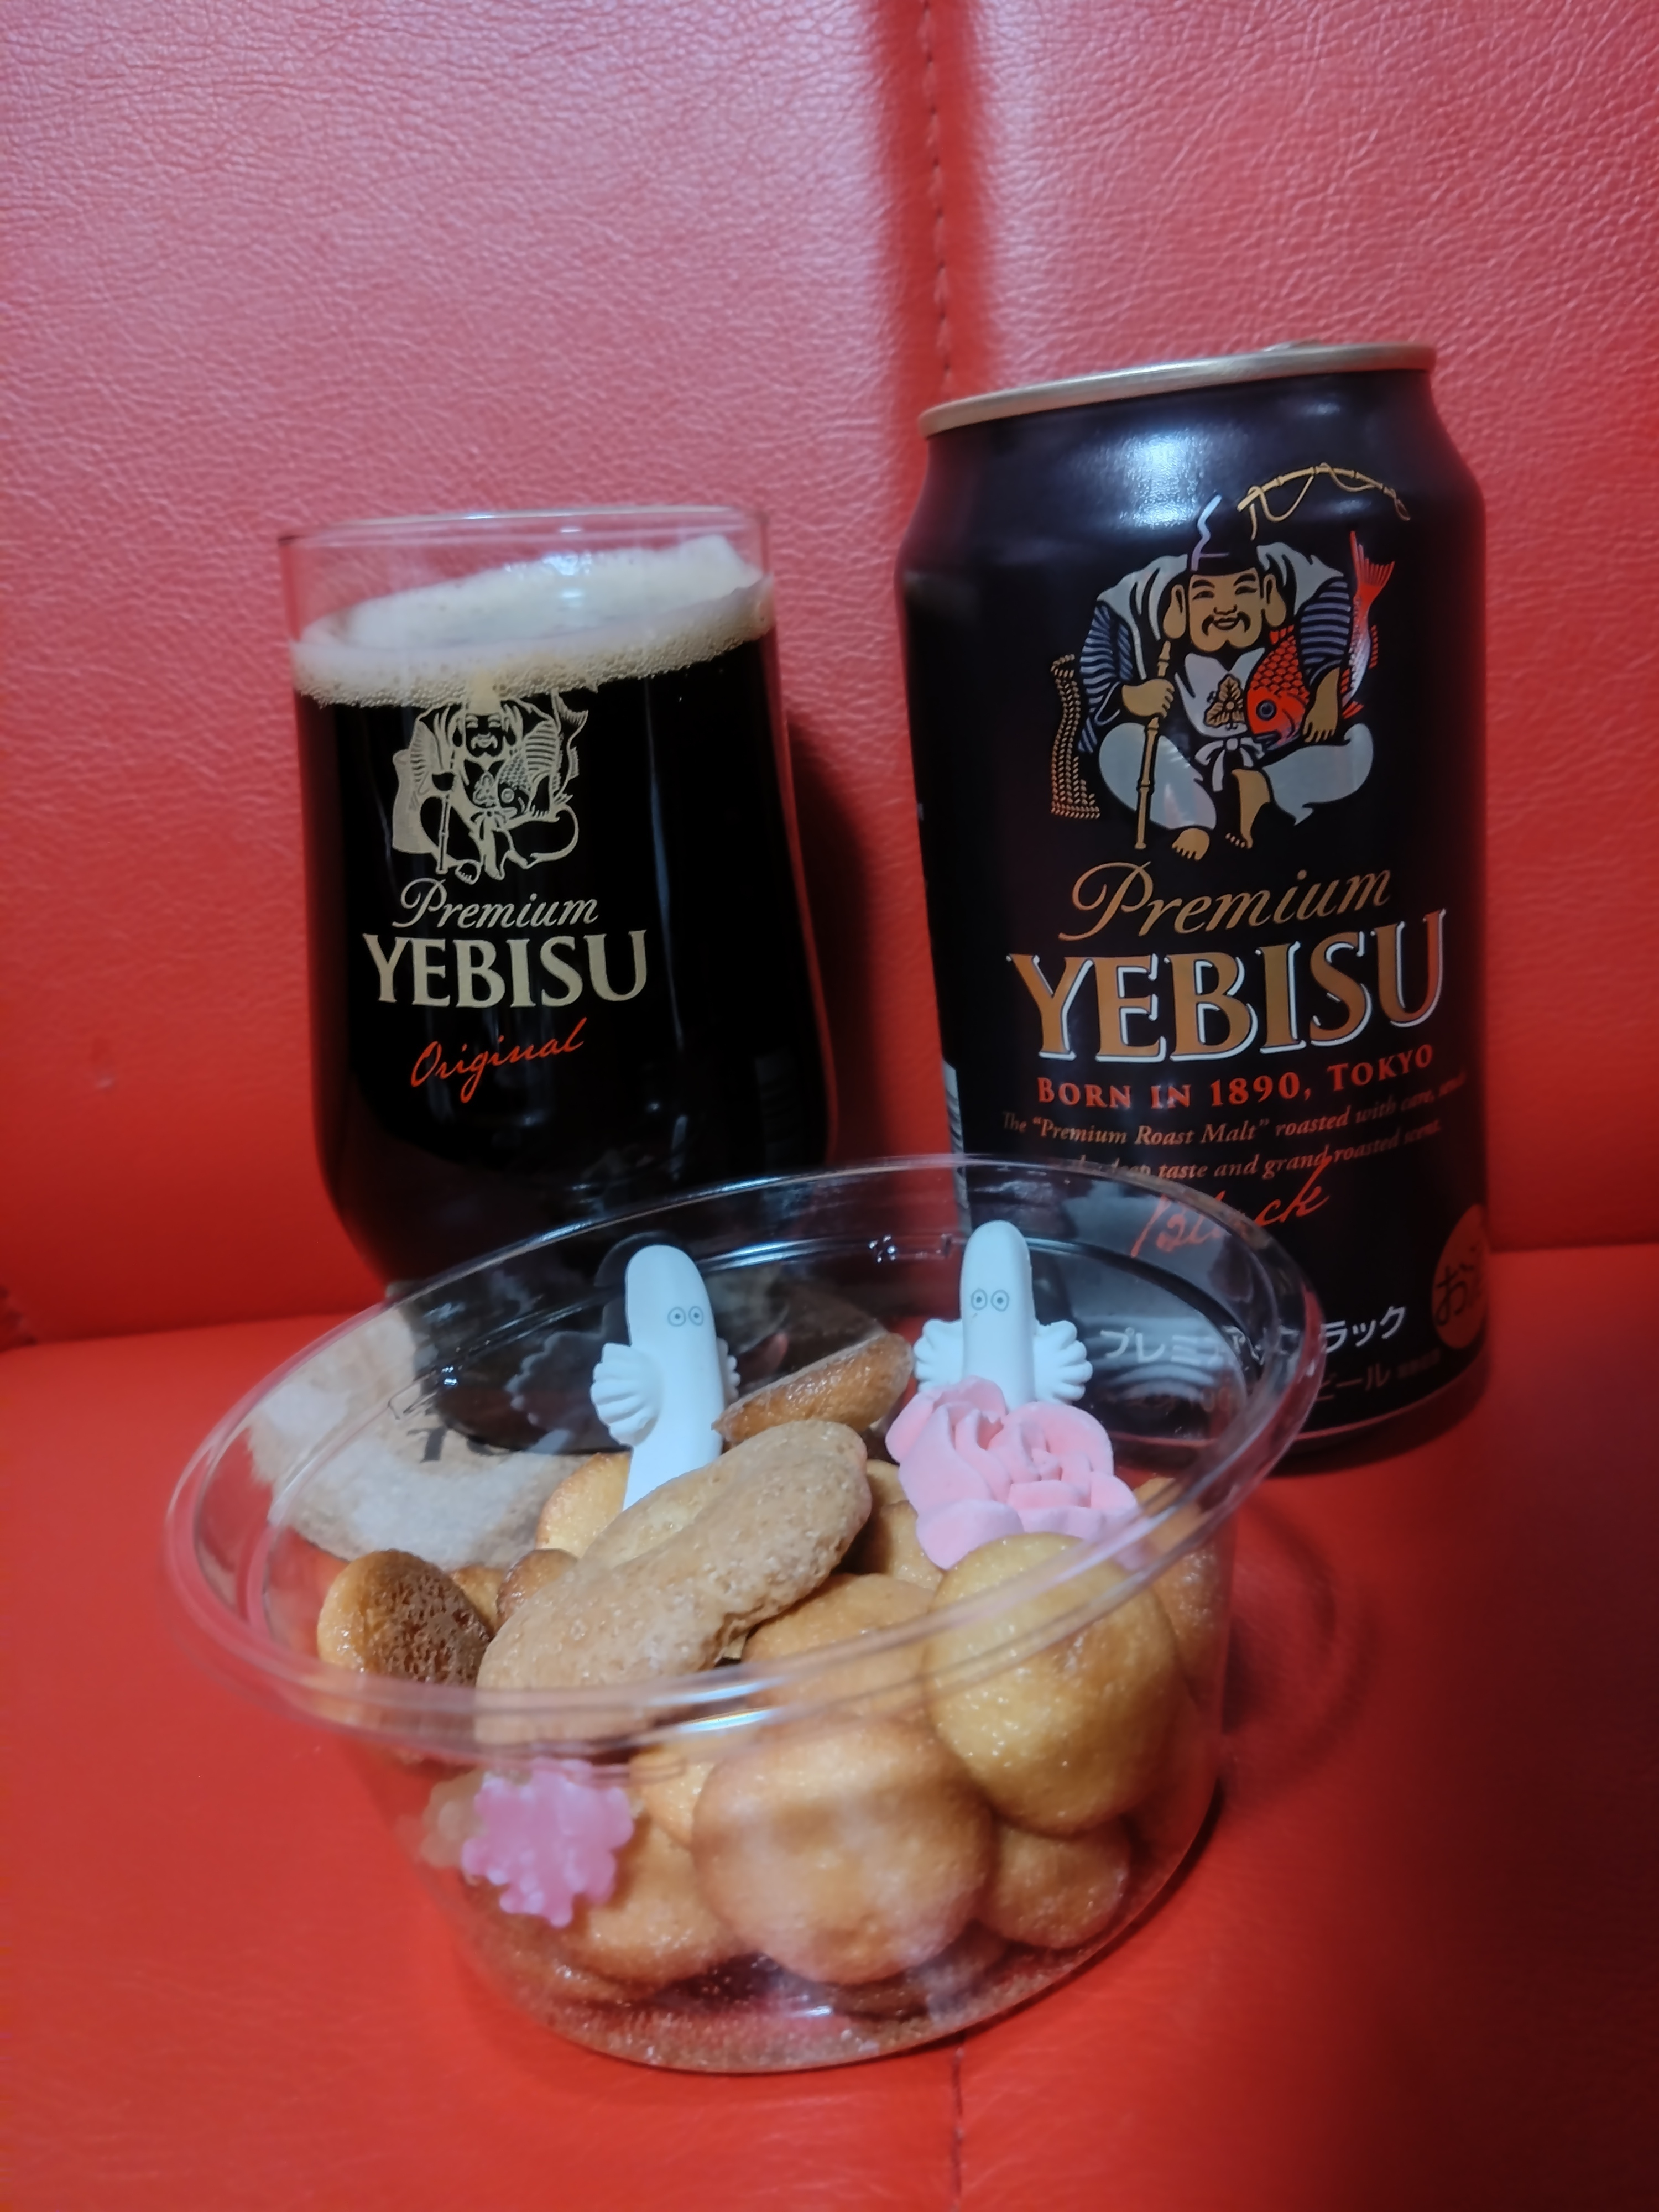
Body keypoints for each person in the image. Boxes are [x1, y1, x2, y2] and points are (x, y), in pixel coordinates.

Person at [1076, 495, 1373, 857]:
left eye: (1243, 590)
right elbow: (1101, 649)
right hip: (1182, 764)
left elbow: (1327, 592)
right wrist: (1128, 696)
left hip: (1274, 752)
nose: (1226, 608)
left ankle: (1262, 788)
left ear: (1267, 596)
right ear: (1181, 603)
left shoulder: (1287, 581)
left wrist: (1325, 691)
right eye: (1206, 595)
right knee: (1118, 746)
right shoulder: (1143, 603)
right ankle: (1192, 819)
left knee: (1359, 748)